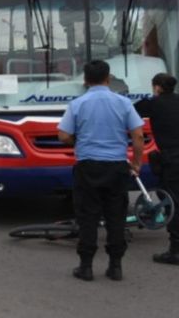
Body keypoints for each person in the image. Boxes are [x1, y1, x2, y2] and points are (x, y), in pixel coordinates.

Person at [58, 60, 145, 282]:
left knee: (88, 216)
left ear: (85, 80)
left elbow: (63, 136)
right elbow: (138, 137)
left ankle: (85, 267)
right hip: (116, 167)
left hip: (87, 167)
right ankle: (115, 266)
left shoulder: (77, 104)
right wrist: (136, 163)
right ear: (108, 78)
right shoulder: (124, 103)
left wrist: (79, 142)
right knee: (116, 216)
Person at [134, 73, 179, 265]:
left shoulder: (154, 103)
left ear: (157, 87)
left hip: (176, 161)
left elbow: (131, 111)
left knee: (175, 205)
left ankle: (175, 251)